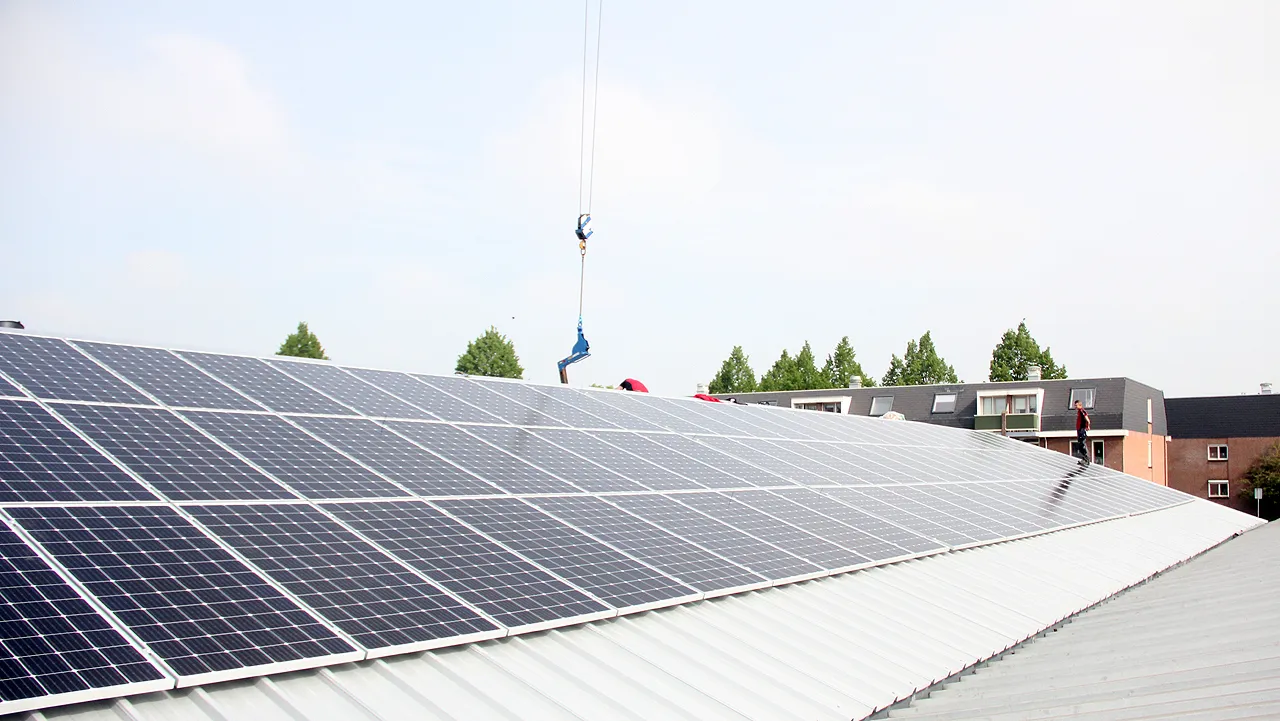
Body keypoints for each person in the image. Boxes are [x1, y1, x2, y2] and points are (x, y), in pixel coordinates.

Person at [1074, 399, 1092, 464]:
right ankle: (1084, 458)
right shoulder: (1079, 412)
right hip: (1079, 430)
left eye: (1076, 405)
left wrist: (1087, 426)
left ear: (1080, 405)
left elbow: (1087, 420)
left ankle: (1087, 459)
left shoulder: (1082, 411)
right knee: (1080, 444)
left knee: (1082, 444)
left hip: (1082, 430)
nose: (1075, 407)